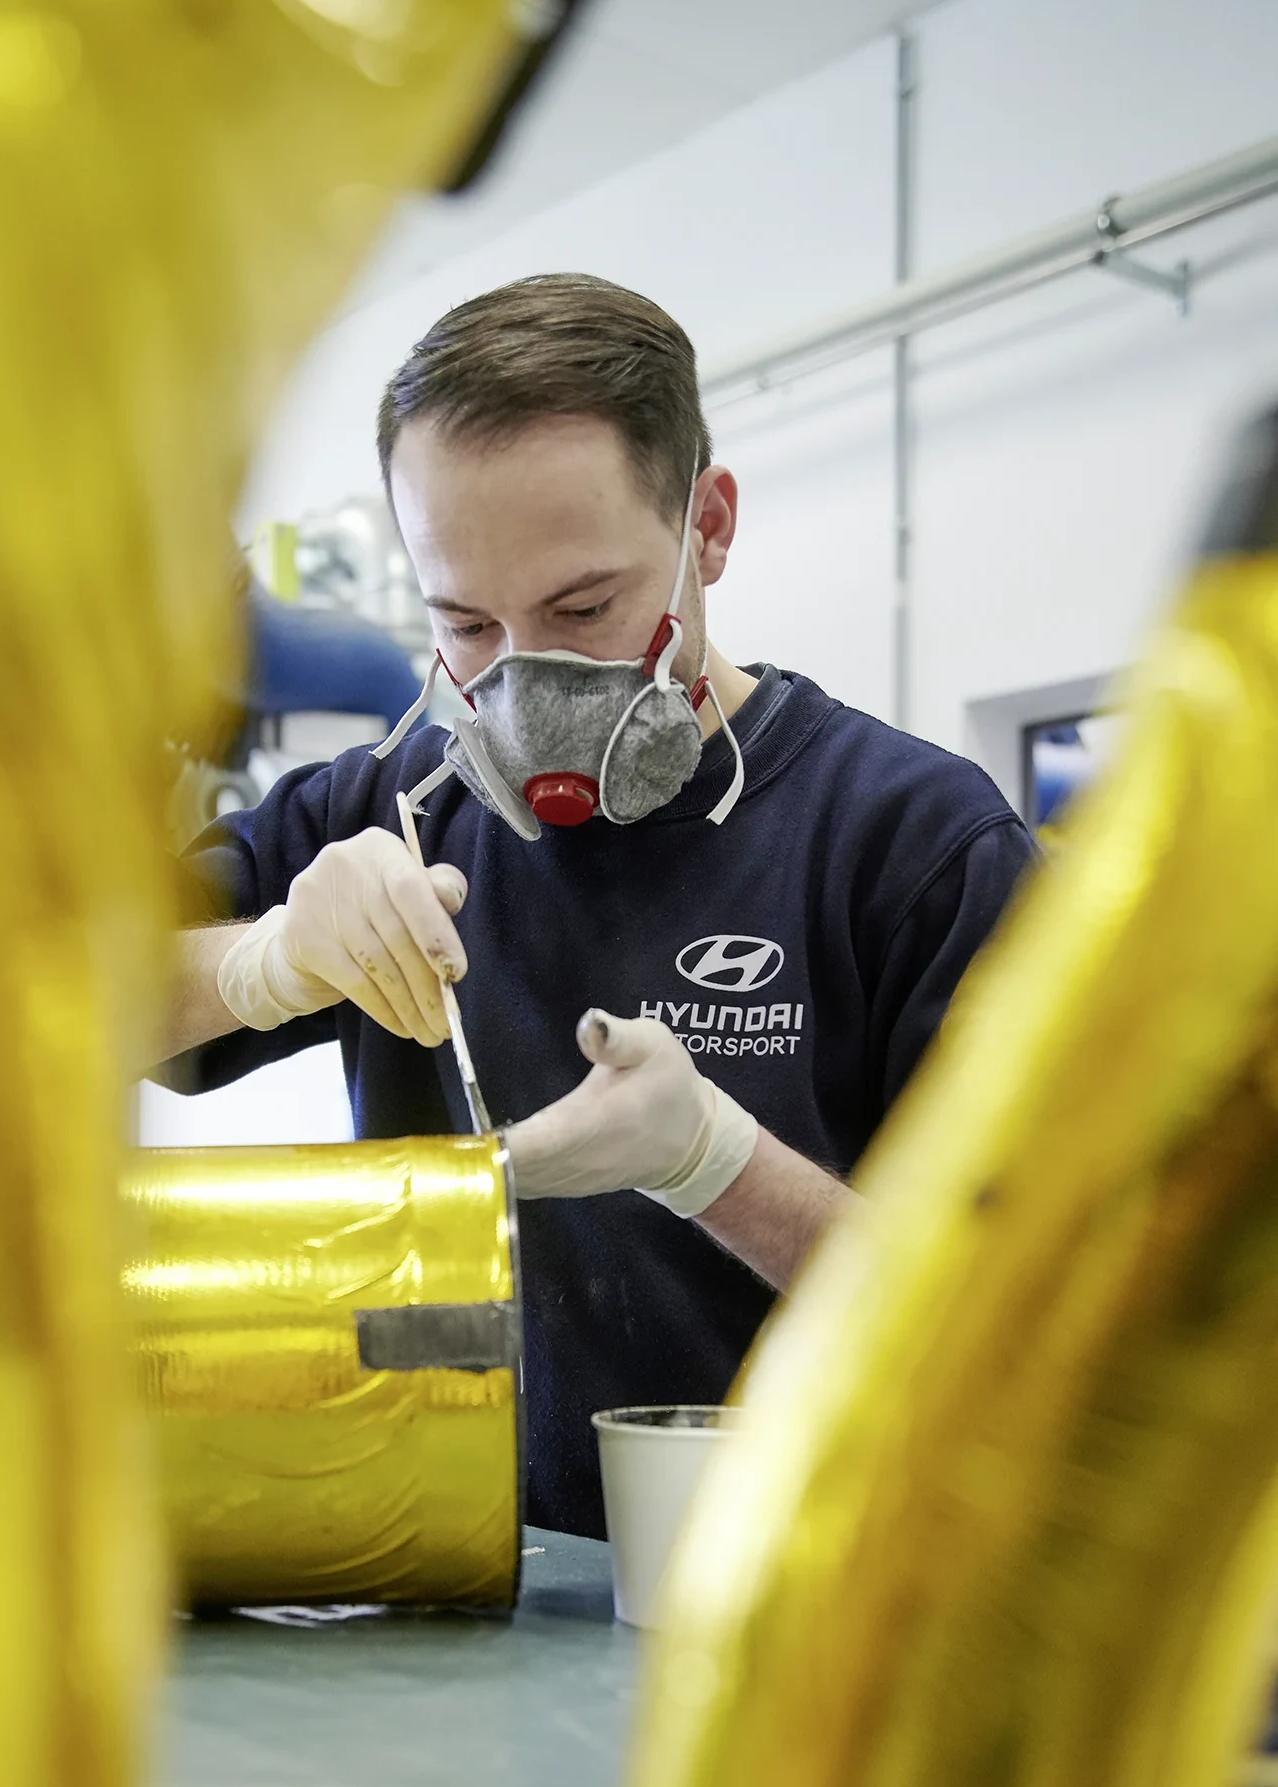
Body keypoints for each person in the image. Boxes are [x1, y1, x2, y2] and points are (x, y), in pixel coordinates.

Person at [158, 274, 1035, 1539]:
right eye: (463, 622)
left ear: (708, 528)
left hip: (793, 1610)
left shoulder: (912, 844)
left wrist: (717, 1165)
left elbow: (1022, 1334)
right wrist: (261, 961)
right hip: (449, 1594)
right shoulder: (389, 809)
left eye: (583, 609)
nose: (521, 684)